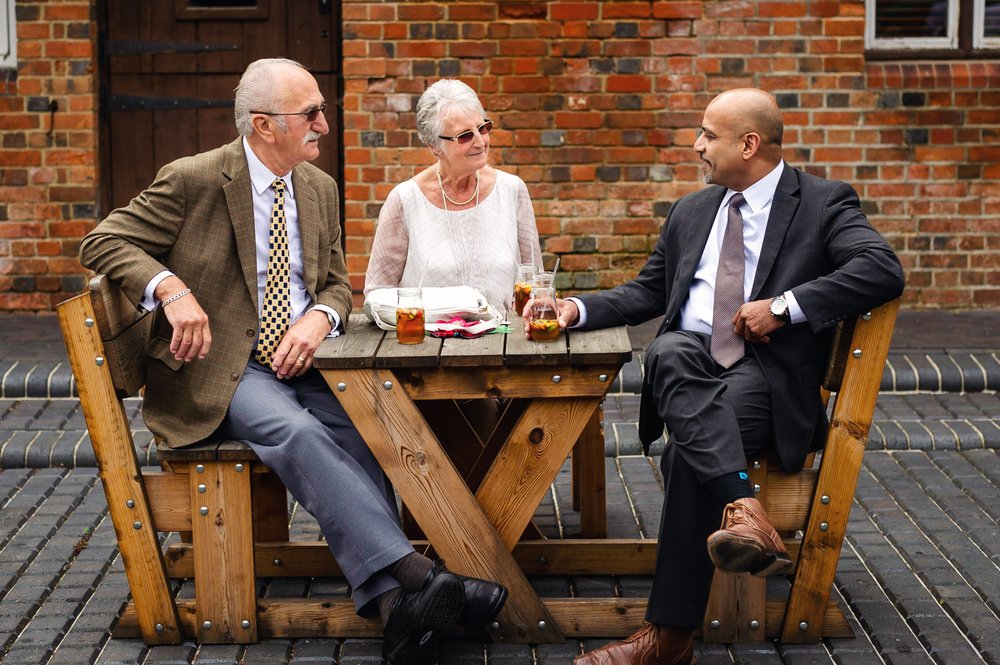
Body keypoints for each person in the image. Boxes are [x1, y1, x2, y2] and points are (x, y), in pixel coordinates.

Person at [79, 58, 506, 665]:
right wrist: (172, 292)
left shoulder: (318, 187)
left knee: (369, 427)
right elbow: (101, 241)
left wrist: (319, 319)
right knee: (296, 431)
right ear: (262, 124)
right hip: (219, 370)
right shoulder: (194, 179)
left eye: (321, 111)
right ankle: (415, 575)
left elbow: (334, 285)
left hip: (304, 360)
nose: (323, 125)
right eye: (310, 114)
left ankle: (397, 609)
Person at [526, 88, 905, 664]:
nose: (697, 146)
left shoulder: (823, 203)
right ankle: (745, 512)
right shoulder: (693, 210)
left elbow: (881, 269)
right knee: (673, 347)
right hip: (691, 366)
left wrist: (782, 307)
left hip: (766, 378)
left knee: (687, 454)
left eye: (708, 135)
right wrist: (574, 309)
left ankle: (669, 639)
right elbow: (650, 291)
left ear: (749, 144)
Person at [364, 78, 543, 315]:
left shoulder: (512, 190)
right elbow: (377, 293)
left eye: (482, 128)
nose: (480, 142)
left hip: (506, 343)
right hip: (428, 345)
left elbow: (536, 282)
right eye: (465, 136)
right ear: (434, 146)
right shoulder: (405, 200)